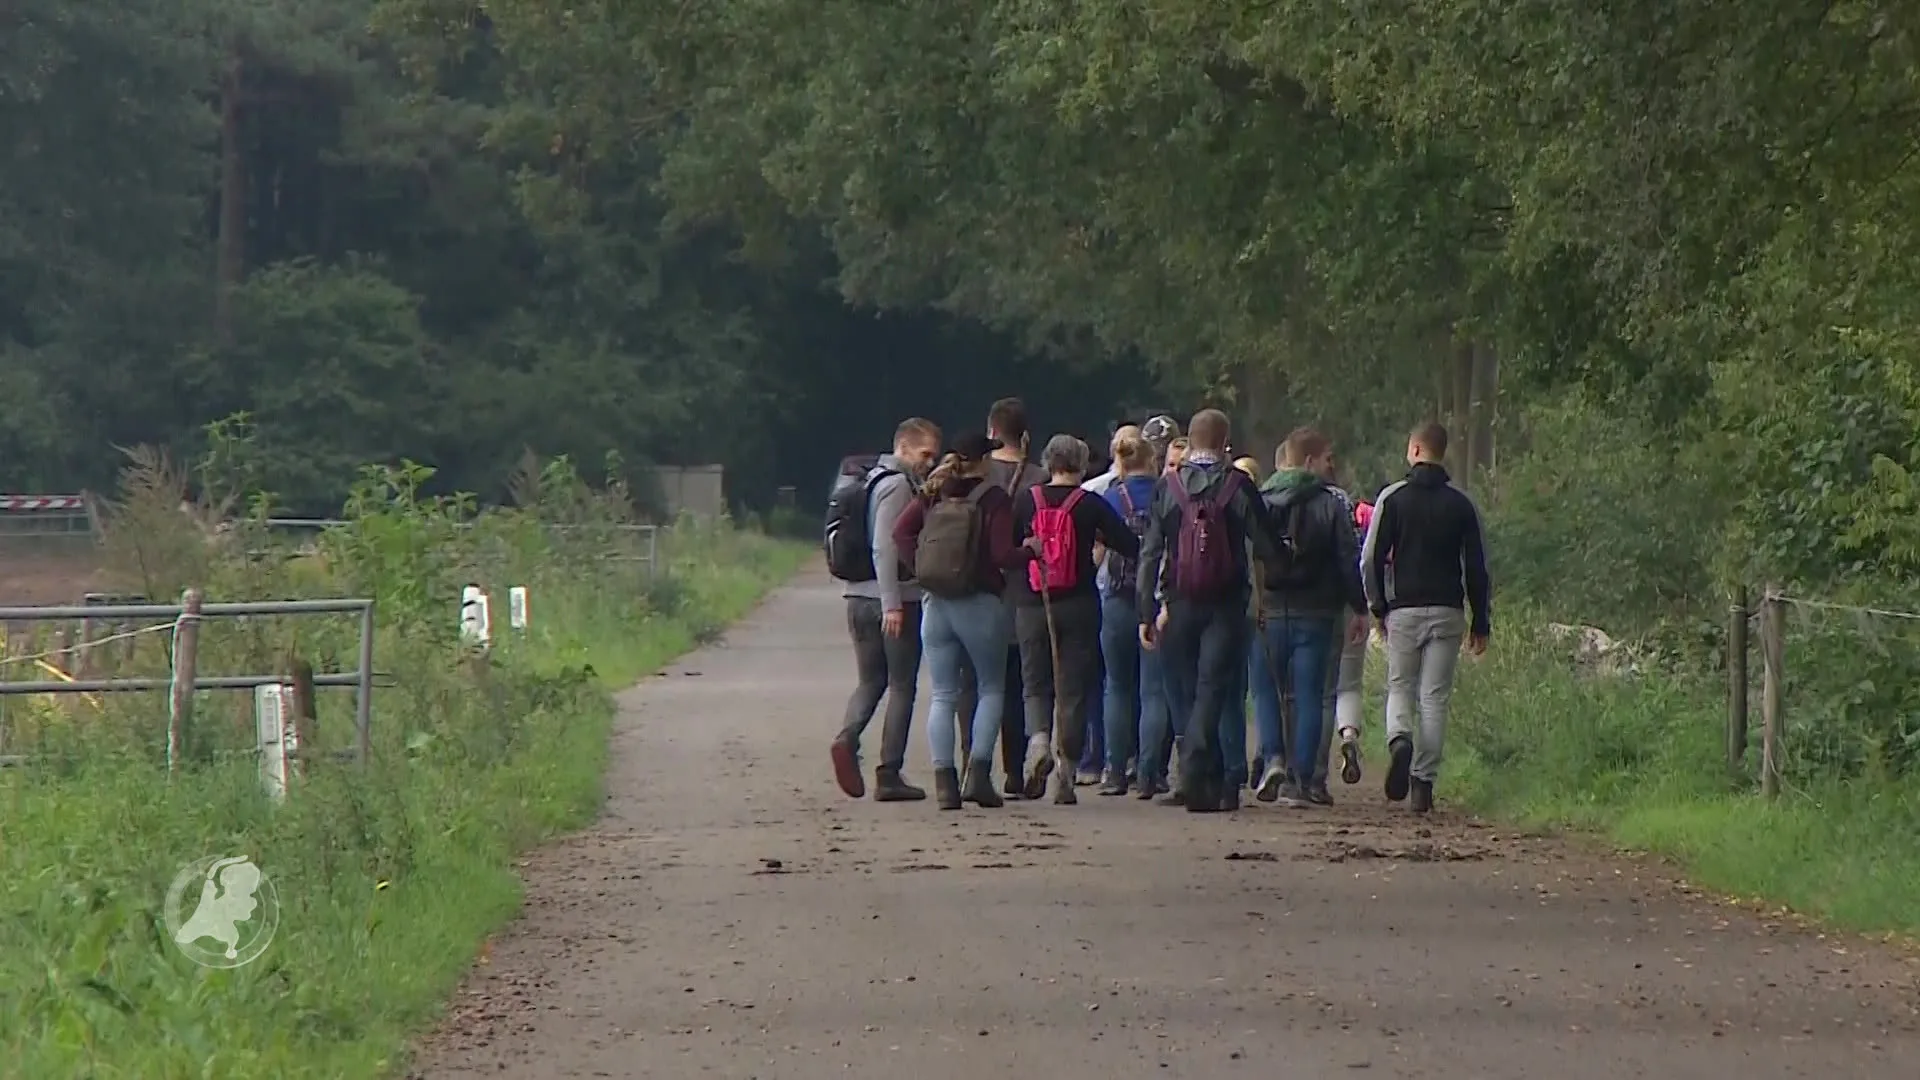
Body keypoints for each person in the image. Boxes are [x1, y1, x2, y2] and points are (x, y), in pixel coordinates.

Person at [1137, 408, 1278, 813]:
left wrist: (1145, 611)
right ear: (1225, 441)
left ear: (1191, 440)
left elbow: (1150, 554)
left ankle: (1203, 779)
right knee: (1214, 689)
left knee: (1186, 690)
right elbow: (1266, 546)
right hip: (1227, 603)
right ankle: (1207, 771)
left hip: (1179, 603)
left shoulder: (1168, 487)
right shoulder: (1238, 486)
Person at [1362, 422, 1492, 814]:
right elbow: (1477, 566)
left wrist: (1377, 606)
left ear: (1416, 449)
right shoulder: (1462, 504)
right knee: (1434, 697)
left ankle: (1399, 740)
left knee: (1401, 686)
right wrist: (1480, 619)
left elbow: (1370, 558)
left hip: (1404, 608)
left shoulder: (1393, 498)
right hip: (1448, 610)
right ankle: (1423, 784)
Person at [894, 433, 1026, 809]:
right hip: (980, 603)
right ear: (984, 461)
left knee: (943, 694)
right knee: (990, 689)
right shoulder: (993, 498)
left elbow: (900, 532)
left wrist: (919, 568)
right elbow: (1002, 554)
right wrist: (1029, 552)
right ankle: (979, 777)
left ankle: (945, 783)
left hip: (936, 602)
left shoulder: (934, 490)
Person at [1010, 435, 1139, 803]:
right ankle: (1067, 772)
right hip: (1080, 603)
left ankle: (1037, 742)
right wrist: (1094, 540)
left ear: (1048, 462)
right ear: (1082, 464)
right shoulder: (1090, 504)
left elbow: (1009, 548)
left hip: (1033, 604)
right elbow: (1129, 546)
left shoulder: (1026, 500)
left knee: (1034, 682)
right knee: (1073, 688)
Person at [1254, 428, 1367, 807]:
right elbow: (1347, 559)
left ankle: (1273, 759)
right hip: (1317, 610)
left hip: (1269, 607)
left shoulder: (1261, 500)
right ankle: (1305, 780)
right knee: (1309, 695)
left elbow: (1248, 553)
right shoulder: (1330, 504)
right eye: (1325, 458)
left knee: (1268, 691)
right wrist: (1359, 607)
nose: (1328, 465)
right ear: (1308, 461)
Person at [830, 417, 942, 801]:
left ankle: (847, 738)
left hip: (857, 597)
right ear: (904, 447)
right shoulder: (896, 485)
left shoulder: (867, 479)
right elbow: (884, 545)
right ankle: (888, 772)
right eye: (925, 454)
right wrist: (893, 603)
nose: (929, 462)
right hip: (892, 600)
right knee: (902, 686)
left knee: (870, 681)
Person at [954, 398, 1050, 796]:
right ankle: (1015, 769)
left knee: (971, 684)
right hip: (1023, 591)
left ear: (991, 431)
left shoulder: (977, 472)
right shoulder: (1040, 477)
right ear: (1025, 435)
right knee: (1015, 681)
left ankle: (971, 764)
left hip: (976, 587)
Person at [1072, 424, 1140, 785]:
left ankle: (1099, 762)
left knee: (1107, 684)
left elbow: (1095, 550)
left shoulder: (1095, 493)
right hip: (1147, 596)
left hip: (1105, 594)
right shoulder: (1162, 491)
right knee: (1146, 685)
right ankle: (1143, 764)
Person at [1095, 430, 1159, 795]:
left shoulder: (1109, 498)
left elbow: (1099, 553)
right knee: (1153, 690)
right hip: (1155, 600)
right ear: (1151, 460)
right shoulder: (1168, 492)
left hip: (1117, 598)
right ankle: (1149, 773)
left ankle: (1114, 769)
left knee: (1116, 687)